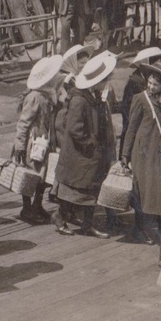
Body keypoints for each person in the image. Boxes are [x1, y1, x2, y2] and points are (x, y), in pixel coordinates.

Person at [54, 52, 117, 237]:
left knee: (90, 190)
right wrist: (90, 145)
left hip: (90, 155)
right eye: (104, 80)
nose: (106, 84)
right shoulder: (80, 100)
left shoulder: (92, 96)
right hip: (81, 155)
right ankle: (59, 217)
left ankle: (86, 224)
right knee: (78, 191)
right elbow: (74, 129)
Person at [121, 63, 161, 245]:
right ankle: (140, 230)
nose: (151, 86)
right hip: (143, 153)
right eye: (150, 82)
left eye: (155, 84)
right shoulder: (141, 99)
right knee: (143, 192)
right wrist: (125, 154)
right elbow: (131, 128)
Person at [14, 54, 65, 226]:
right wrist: (20, 146)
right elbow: (23, 123)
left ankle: (37, 206)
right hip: (34, 143)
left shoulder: (47, 94)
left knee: (43, 176)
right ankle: (27, 208)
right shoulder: (35, 97)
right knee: (33, 175)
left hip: (44, 140)